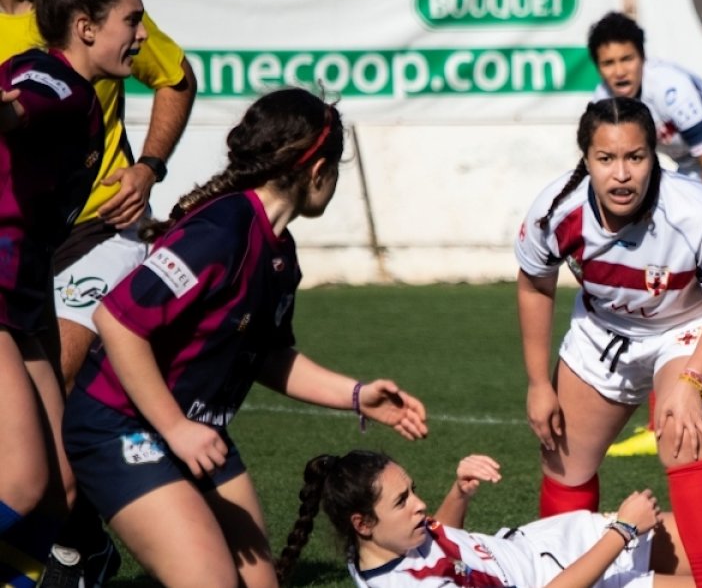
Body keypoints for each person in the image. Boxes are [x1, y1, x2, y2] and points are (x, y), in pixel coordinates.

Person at [61, 88, 430, 588]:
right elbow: (118, 322)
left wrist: (358, 395)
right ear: (319, 170)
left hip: (197, 434)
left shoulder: (280, 252)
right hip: (121, 428)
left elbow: (268, 357)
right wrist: (175, 428)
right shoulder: (222, 229)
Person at [1, 0, 197, 583]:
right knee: (26, 480)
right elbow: (23, 105)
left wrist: (148, 169)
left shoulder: (79, 88)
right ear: (85, 27)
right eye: (133, 23)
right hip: (4, 288)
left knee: (55, 483)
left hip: (42, 276)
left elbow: (176, 76)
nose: (143, 37)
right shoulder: (52, 84)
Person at [516, 96, 702, 588]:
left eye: (635, 157)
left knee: (681, 439)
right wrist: (539, 382)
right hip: (604, 331)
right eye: (606, 159)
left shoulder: (699, 212)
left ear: (654, 157)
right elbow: (534, 284)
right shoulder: (555, 210)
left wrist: (691, 380)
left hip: (689, 329)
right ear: (586, 160)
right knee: (563, 461)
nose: (621, 174)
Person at [276, 450, 702, 588]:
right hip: (577, 574)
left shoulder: (387, 548)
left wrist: (459, 492)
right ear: (363, 524)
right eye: (404, 501)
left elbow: (446, 537)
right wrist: (622, 531)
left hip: (558, 546)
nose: (420, 504)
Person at [588, 11, 702, 461]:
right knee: (667, 291)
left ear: (642, 58)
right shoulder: (604, 104)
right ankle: (661, 422)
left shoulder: (669, 89)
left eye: (627, 59)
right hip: (685, 174)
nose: (619, 71)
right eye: (608, 63)